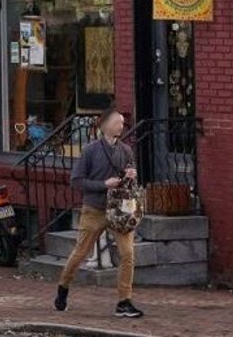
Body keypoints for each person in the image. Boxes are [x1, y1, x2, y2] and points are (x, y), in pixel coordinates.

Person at [54, 110, 143, 320]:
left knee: (128, 254)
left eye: (122, 123)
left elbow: (128, 181)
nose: (121, 126)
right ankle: (63, 289)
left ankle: (124, 301)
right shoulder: (91, 151)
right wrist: (103, 184)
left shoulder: (126, 150)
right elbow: (76, 181)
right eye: (117, 122)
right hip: (94, 209)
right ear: (104, 125)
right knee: (81, 252)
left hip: (119, 211)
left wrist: (130, 176)